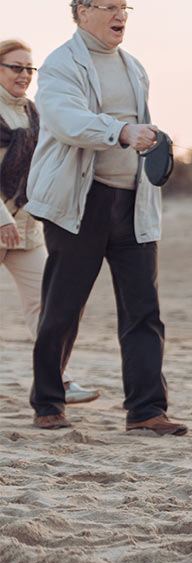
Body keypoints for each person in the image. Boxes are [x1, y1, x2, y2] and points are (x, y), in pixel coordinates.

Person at [25, 0, 185, 435]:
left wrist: (151, 139)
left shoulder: (134, 67)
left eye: (124, 8)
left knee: (143, 310)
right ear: (82, 13)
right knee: (63, 307)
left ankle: (146, 410)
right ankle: (48, 401)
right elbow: (66, 120)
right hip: (79, 203)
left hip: (134, 203)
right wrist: (120, 131)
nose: (120, 16)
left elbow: (139, 129)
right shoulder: (60, 65)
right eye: (110, 7)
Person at [0, 39, 99, 405]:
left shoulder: (36, 113)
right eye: (15, 66)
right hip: (2, 222)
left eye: (29, 68)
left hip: (26, 227)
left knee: (46, 305)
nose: (24, 74)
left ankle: (59, 381)